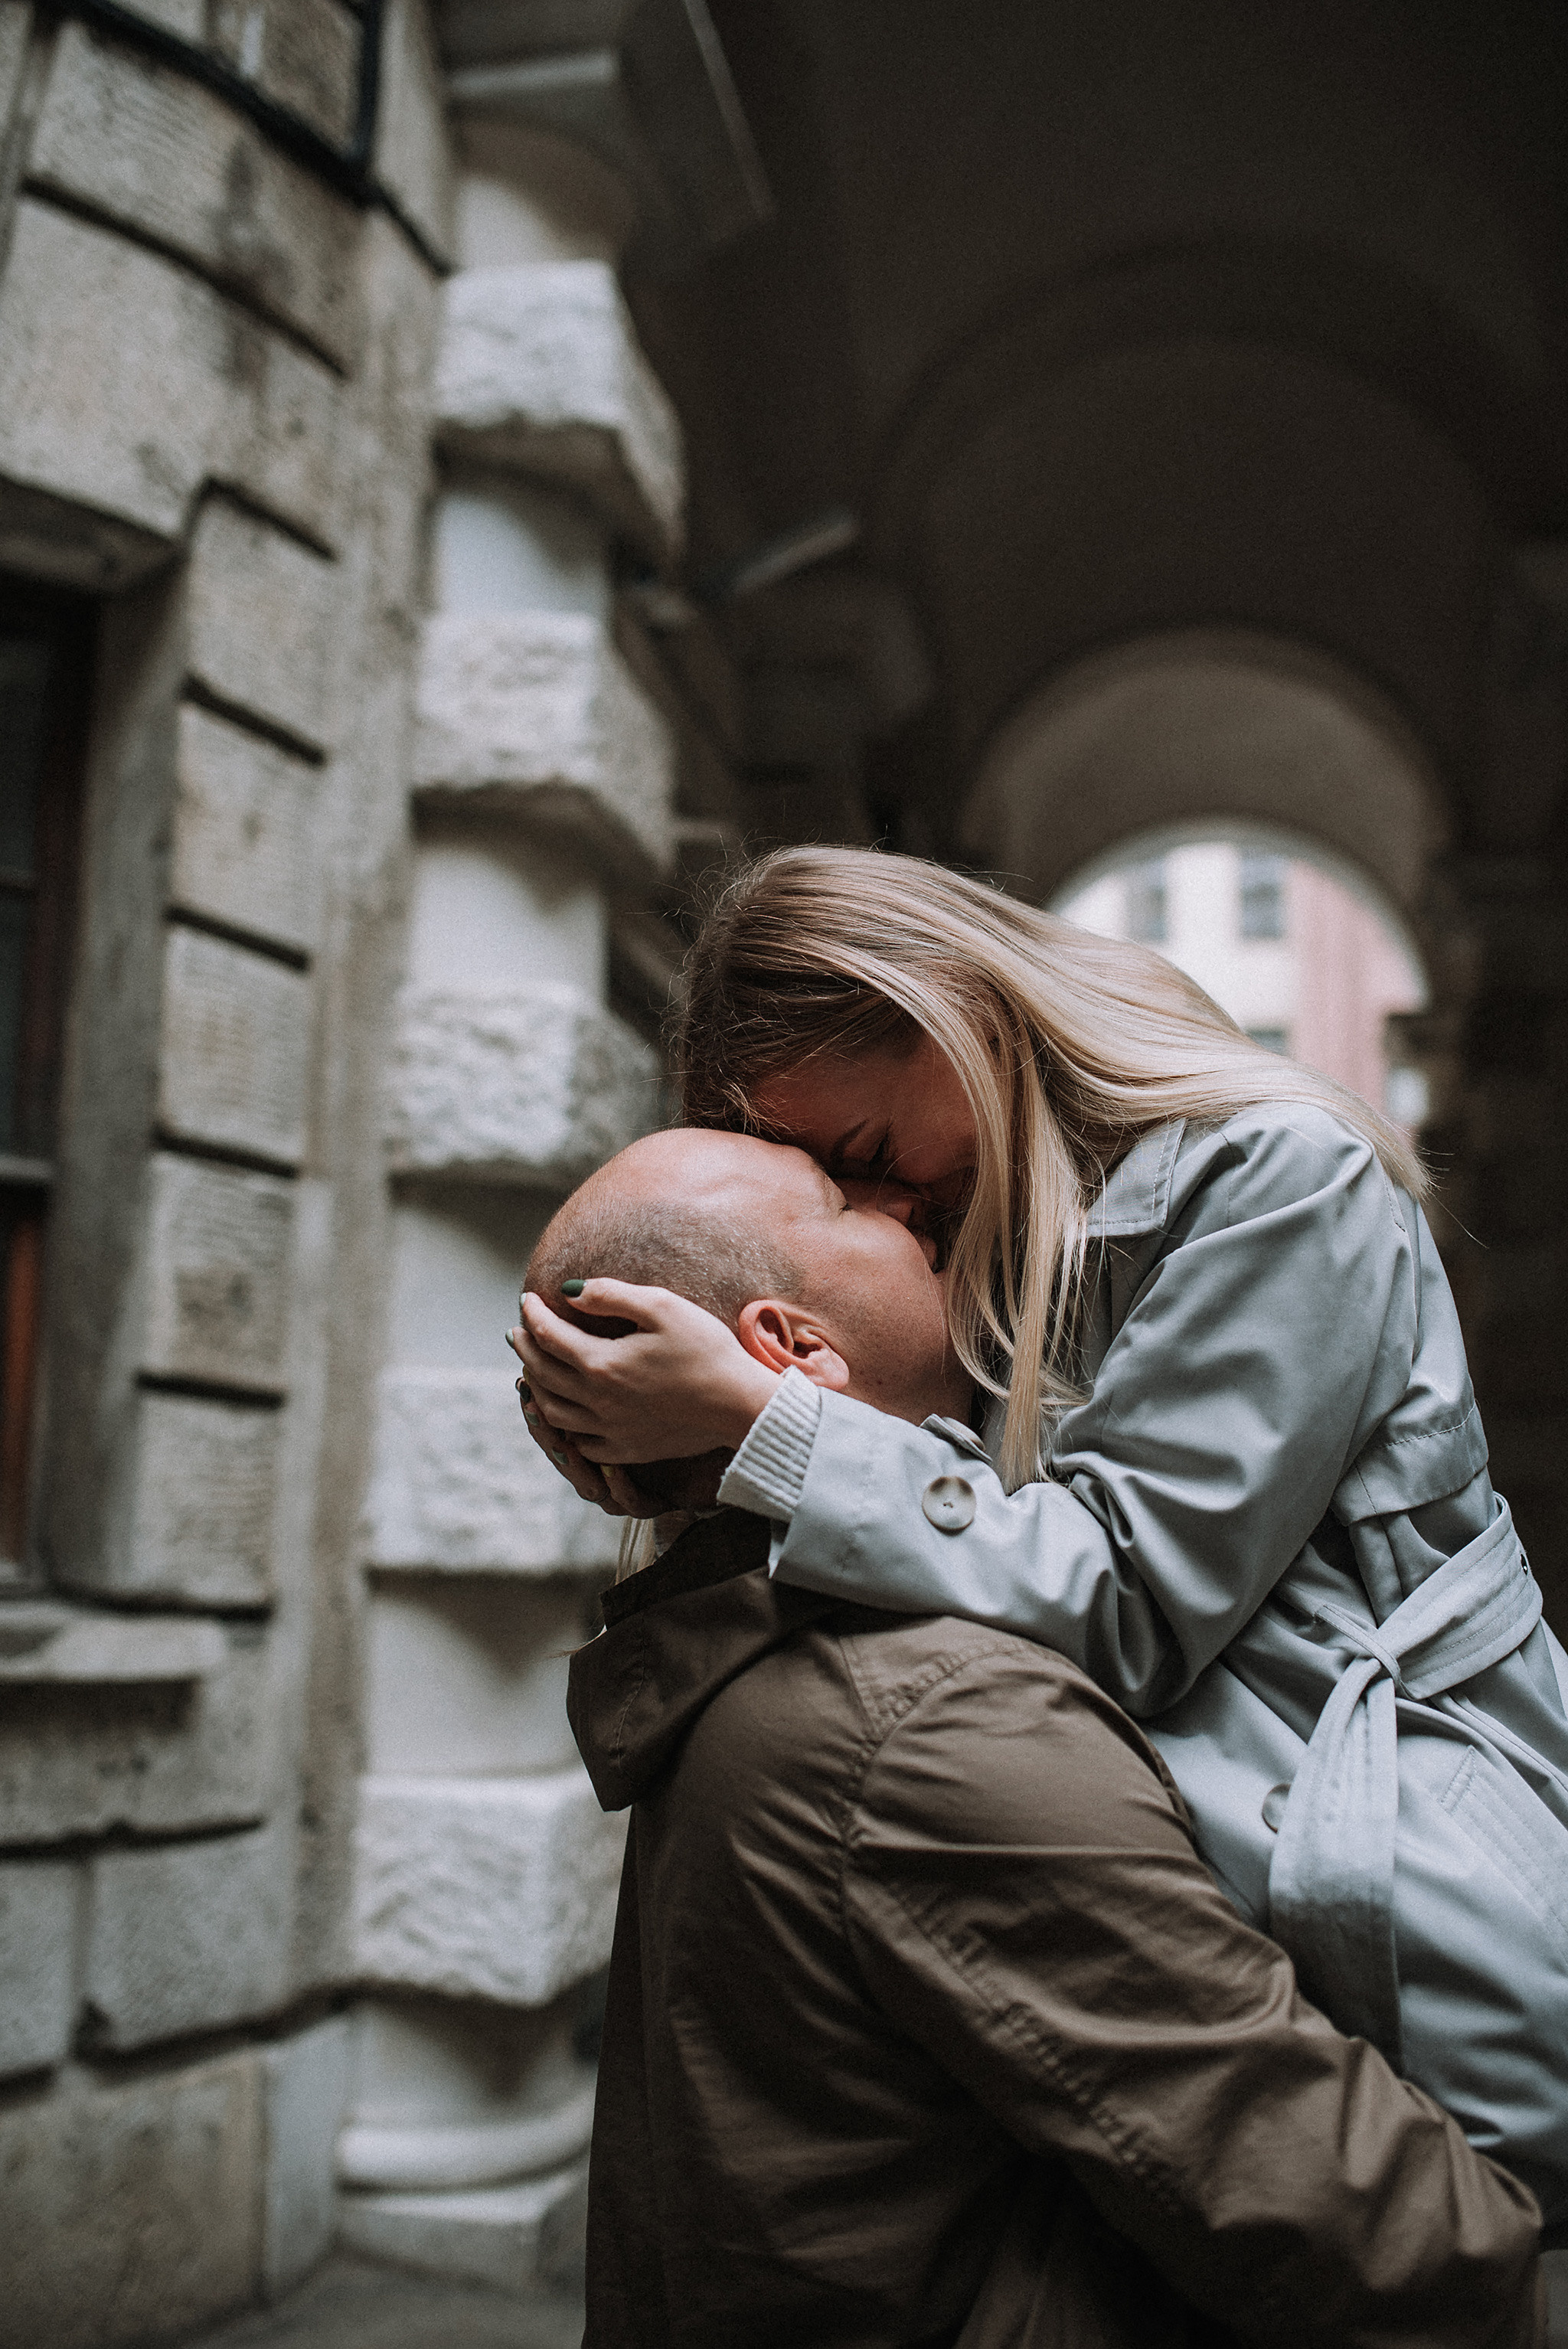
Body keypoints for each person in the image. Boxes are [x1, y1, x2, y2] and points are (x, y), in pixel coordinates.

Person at [511, 845, 1568, 2227]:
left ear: (957, 1012)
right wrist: (652, 1435)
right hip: (1193, 1921)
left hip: (1413, 1900)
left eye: (867, 1157)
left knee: (1433, 2246)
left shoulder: (1281, 1177)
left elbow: (1128, 1598)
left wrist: (769, 1426)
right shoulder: (983, 1237)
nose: (890, 1205)